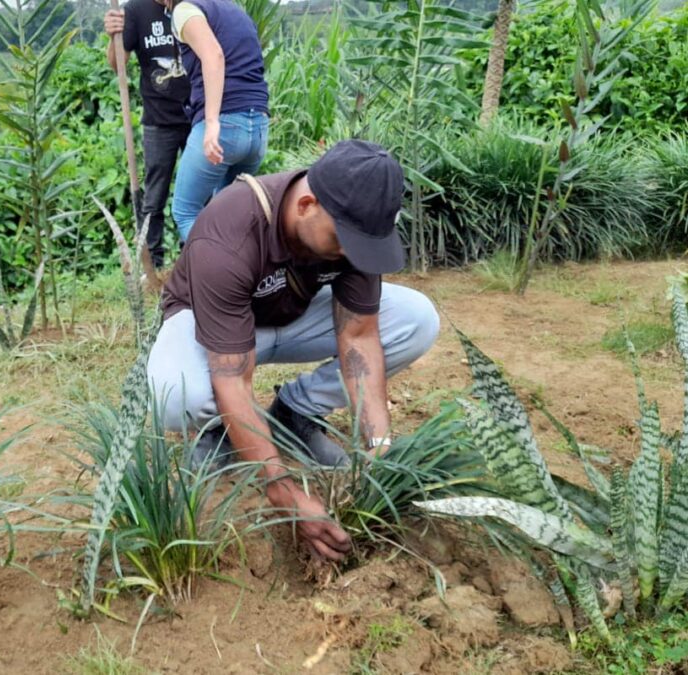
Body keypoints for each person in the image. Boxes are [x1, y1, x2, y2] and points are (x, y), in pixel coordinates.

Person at [146, 140, 440, 560]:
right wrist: (283, 490)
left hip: (290, 317)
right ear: (306, 204)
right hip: (206, 326)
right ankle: (217, 431)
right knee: (177, 394)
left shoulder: (347, 225)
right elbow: (232, 377)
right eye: (343, 241)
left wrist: (378, 446)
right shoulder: (229, 235)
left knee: (417, 319)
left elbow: (358, 337)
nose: (350, 254)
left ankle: (295, 411)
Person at [166, 0, 270, 242]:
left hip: (224, 127)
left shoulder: (185, 10)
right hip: (258, 128)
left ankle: (216, 273)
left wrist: (212, 123)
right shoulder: (233, 9)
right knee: (229, 218)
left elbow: (213, 54)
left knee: (186, 212)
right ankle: (246, 274)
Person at [104, 0, 191, 269]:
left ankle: (193, 258)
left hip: (197, 116)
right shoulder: (135, 10)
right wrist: (113, 38)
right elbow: (118, 65)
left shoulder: (191, 5)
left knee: (198, 193)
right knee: (154, 198)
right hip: (158, 122)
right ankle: (153, 265)